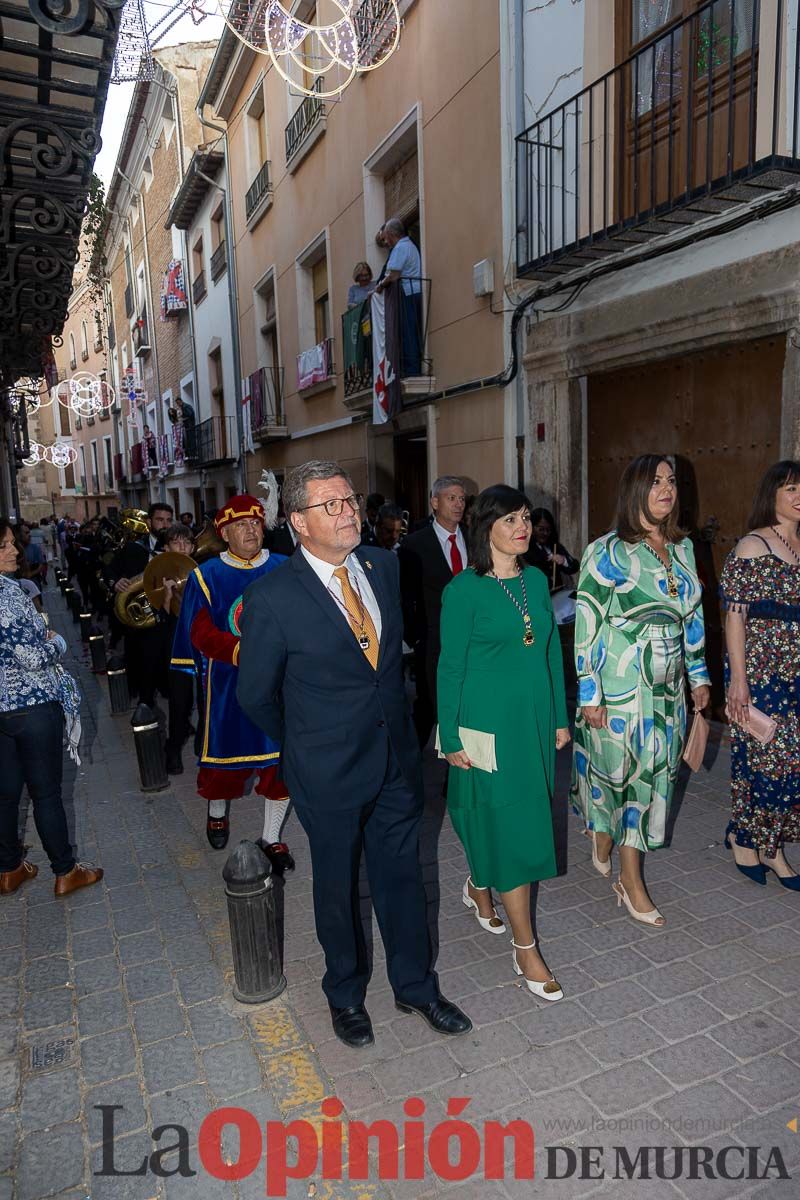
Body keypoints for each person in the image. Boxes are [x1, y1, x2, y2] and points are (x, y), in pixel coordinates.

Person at [238, 460, 471, 1049]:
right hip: (325, 769)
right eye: (331, 505)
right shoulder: (272, 596)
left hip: (394, 755)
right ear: (297, 522)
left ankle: (416, 986)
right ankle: (345, 994)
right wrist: (305, 745)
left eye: (349, 501)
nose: (348, 513)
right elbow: (255, 695)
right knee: (337, 886)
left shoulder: (384, 565)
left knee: (402, 876)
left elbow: (389, 665)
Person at [438, 483, 570, 1000]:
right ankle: (525, 948)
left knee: (522, 816)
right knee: (509, 829)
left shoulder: (537, 579)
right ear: (484, 528)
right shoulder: (463, 590)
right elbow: (449, 670)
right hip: (485, 725)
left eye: (525, 518)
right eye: (511, 520)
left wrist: (559, 716)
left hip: (533, 721)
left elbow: (550, 653)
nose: (523, 528)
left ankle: (477, 884)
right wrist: (449, 736)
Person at [570, 455, 711, 926]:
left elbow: (692, 617)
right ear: (635, 489)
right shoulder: (606, 550)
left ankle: (606, 834)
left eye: (671, 481)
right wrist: (589, 693)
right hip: (622, 681)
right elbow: (585, 624)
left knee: (656, 777)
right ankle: (630, 881)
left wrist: (700, 677)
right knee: (628, 779)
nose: (666, 489)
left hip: (668, 685)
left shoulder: (684, 548)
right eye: (655, 482)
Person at [170, 492, 293, 868]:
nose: (250, 530)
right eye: (240, 525)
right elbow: (199, 631)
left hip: (279, 682)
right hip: (227, 683)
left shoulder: (286, 567)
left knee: (280, 763)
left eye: (255, 523)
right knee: (223, 760)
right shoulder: (206, 575)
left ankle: (271, 837)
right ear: (224, 533)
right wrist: (242, 651)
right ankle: (217, 810)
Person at [0, 519, 103, 898]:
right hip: (31, 706)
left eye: (13, 543)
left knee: (6, 794)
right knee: (45, 794)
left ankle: (9, 868)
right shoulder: (8, 595)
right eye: (4, 546)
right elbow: (30, 656)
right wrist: (57, 642)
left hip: (2, 711)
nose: (15, 551)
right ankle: (65, 871)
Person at [720, 460, 800, 889]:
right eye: (791, 489)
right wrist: (738, 678)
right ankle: (764, 847)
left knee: (791, 762)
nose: (799, 497)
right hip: (763, 671)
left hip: (797, 673)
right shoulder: (753, 546)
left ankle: (751, 835)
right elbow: (735, 618)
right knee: (768, 759)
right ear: (771, 495)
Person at [400, 476, 467, 747]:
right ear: (435, 502)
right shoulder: (414, 545)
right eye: (452, 498)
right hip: (434, 641)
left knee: (466, 707)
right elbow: (405, 597)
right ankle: (409, 765)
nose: (459, 504)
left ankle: (457, 780)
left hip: (473, 638)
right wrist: (416, 637)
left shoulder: (476, 539)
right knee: (431, 706)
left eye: (462, 499)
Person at [107, 503, 173, 708]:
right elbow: (109, 572)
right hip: (143, 623)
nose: (165, 525)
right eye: (160, 520)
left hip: (170, 619)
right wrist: (115, 581)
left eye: (169, 520)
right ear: (149, 522)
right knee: (145, 669)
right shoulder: (133, 548)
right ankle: (146, 710)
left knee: (173, 673)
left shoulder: (179, 546)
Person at [151, 523, 196, 776]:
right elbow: (158, 622)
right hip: (175, 646)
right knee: (180, 702)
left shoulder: (201, 570)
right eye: (176, 543)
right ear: (166, 548)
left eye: (187, 543)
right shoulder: (156, 574)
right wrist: (167, 598)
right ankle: (173, 749)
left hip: (201, 644)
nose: (183, 548)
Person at [375, 217, 423, 376]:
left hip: (408, 295)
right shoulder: (409, 246)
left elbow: (393, 275)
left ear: (390, 234)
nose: (385, 243)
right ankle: (410, 367)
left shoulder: (401, 248)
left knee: (408, 333)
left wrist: (380, 286)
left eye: (385, 238)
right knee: (410, 332)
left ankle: (411, 369)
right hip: (412, 293)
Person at [525, 508, 580, 591]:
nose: (545, 533)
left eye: (548, 530)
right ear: (531, 527)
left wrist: (563, 561)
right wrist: (549, 558)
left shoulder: (555, 546)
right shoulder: (525, 549)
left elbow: (574, 566)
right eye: (541, 529)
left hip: (557, 596)